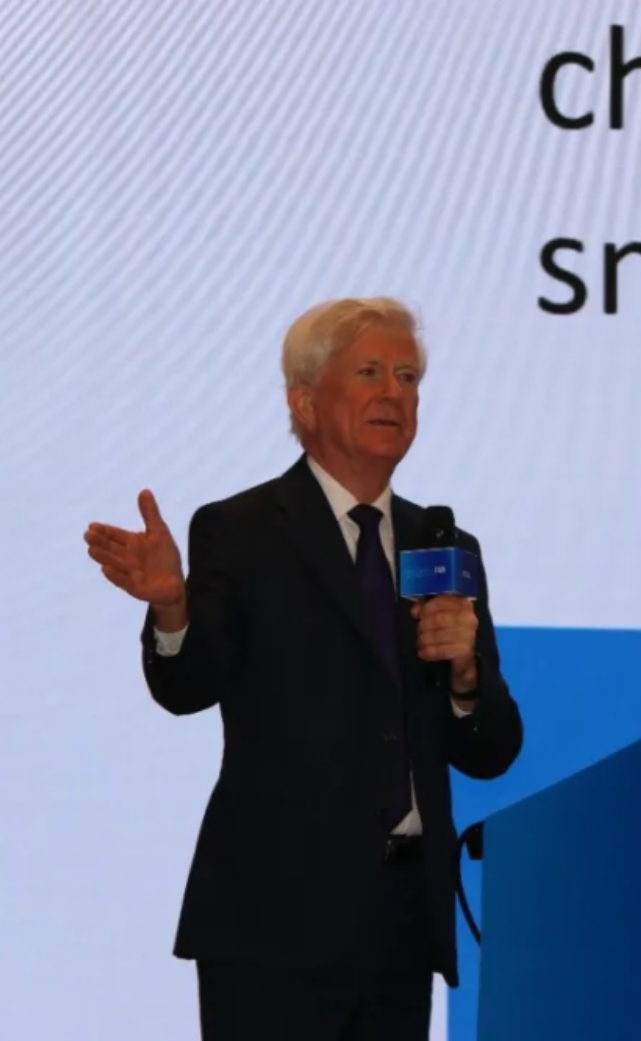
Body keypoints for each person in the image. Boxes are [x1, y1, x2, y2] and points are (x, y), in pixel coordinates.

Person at [83, 297, 524, 1040]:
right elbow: (187, 686)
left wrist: (465, 680)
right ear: (305, 400)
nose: (395, 393)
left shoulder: (444, 545)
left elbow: (490, 749)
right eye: (370, 372)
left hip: (400, 925)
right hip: (272, 924)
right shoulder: (242, 529)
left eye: (409, 377)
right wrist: (171, 608)